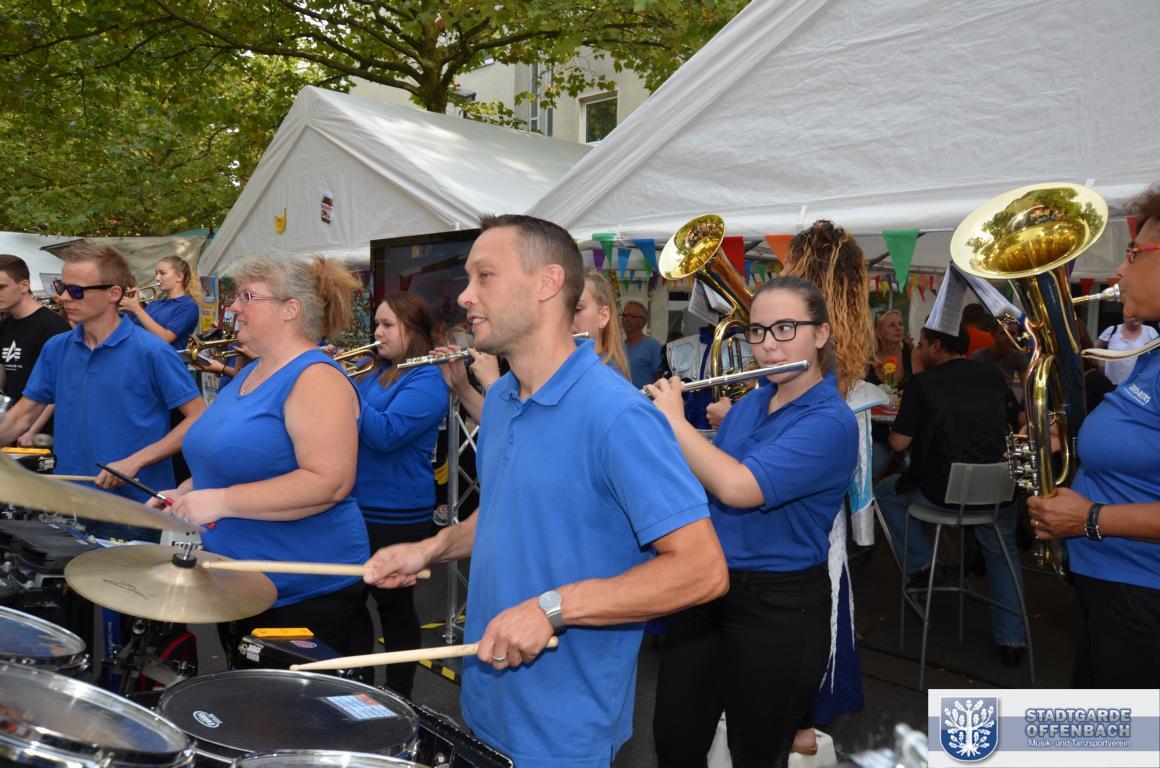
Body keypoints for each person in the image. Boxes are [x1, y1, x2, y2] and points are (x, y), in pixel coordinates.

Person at [365, 214, 728, 768]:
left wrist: (552, 608)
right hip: (485, 703)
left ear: (547, 283)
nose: (464, 296)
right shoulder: (502, 399)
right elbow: (506, 514)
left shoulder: (617, 415)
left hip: (564, 731)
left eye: (485, 276)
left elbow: (702, 569)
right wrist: (431, 548)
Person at [647, 275, 858, 768]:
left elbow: (738, 488)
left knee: (756, 754)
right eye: (758, 331)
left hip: (778, 606)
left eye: (785, 329)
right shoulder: (750, 404)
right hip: (706, 588)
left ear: (821, 334)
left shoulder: (831, 421)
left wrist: (674, 422)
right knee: (674, 741)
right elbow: (706, 481)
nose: (767, 345)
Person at [168, 255, 373, 659]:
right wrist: (188, 491)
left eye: (247, 297)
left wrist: (221, 501)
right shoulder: (250, 372)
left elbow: (329, 482)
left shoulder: (316, 378)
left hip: (305, 592)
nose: (233, 307)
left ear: (290, 309)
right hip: (242, 583)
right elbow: (238, 458)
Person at [1027, 184, 1160, 688]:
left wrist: (1089, 519)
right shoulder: (1152, 354)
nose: (1120, 270)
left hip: (1140, 595)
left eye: (1135, 253)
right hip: (1115, 588)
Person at [0, 244, 204, 537]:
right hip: (71, 503)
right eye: (61, 287)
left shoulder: (152, 351)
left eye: (76, 290)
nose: (63, 297)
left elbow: (198, 418)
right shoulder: (57, 348)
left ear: (114, 294)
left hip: (137, 508)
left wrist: (136, 461)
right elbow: (22, 415)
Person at [875, 323, 1028, 667]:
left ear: (935, 346)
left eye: (923, 344)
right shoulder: (994, 378)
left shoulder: (923, 384)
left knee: (885, 490)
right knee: (1002, 553)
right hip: (997, 491)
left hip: (941, 493)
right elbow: (1019, 420)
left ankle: (922, 565)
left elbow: (898, 443)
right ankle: (1013, 640)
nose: (919, 350)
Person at [354, 292, 448, 697]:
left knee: (393, 607)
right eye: (376, 324)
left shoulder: (427, 379)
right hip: (357, 503)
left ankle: (398, 695)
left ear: (413, 329)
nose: (377, 332)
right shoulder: (376, 371)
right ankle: (356, 689)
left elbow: (385, 434)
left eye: (388, 325)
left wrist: (342, 387)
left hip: (397, 511)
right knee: (348, 603)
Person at [0, 254, 71, 444]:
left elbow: (58, 386)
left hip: (44, 433)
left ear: (24, 285)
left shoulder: (52, 326)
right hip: (13, 424)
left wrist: (31, 430)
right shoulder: (5, 325)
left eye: (1, 287)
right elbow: (4, 374)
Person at [123, 256, 201, 351]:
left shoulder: (188, 306)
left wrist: (137, 309)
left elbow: (166, 338)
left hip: (165, 359)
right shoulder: (154, 304)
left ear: (179, 277)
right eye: (156, 274)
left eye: (162, 273)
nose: (157, 278)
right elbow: (134, 330)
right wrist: (128, 310)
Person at [574, 270, 630, 378]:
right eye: (563, 310)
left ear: (603, 316)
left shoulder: (608, 377)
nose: (566, 318)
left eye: (577, 309)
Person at [1096, 314, 1159, 385]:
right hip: (1111, 382)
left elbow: (1157, 355)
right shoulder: (1112, 330)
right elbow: (1096, 348)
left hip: (1138, 386)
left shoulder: (1150, 331)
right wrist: (1100, 362)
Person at [622, 299, 664, 388]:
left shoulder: (654, 346)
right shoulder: (618, 347)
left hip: (645, 396)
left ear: (642, 321)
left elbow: (660, 380)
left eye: (630, 316)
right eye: (624, 315)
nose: (626, 319)